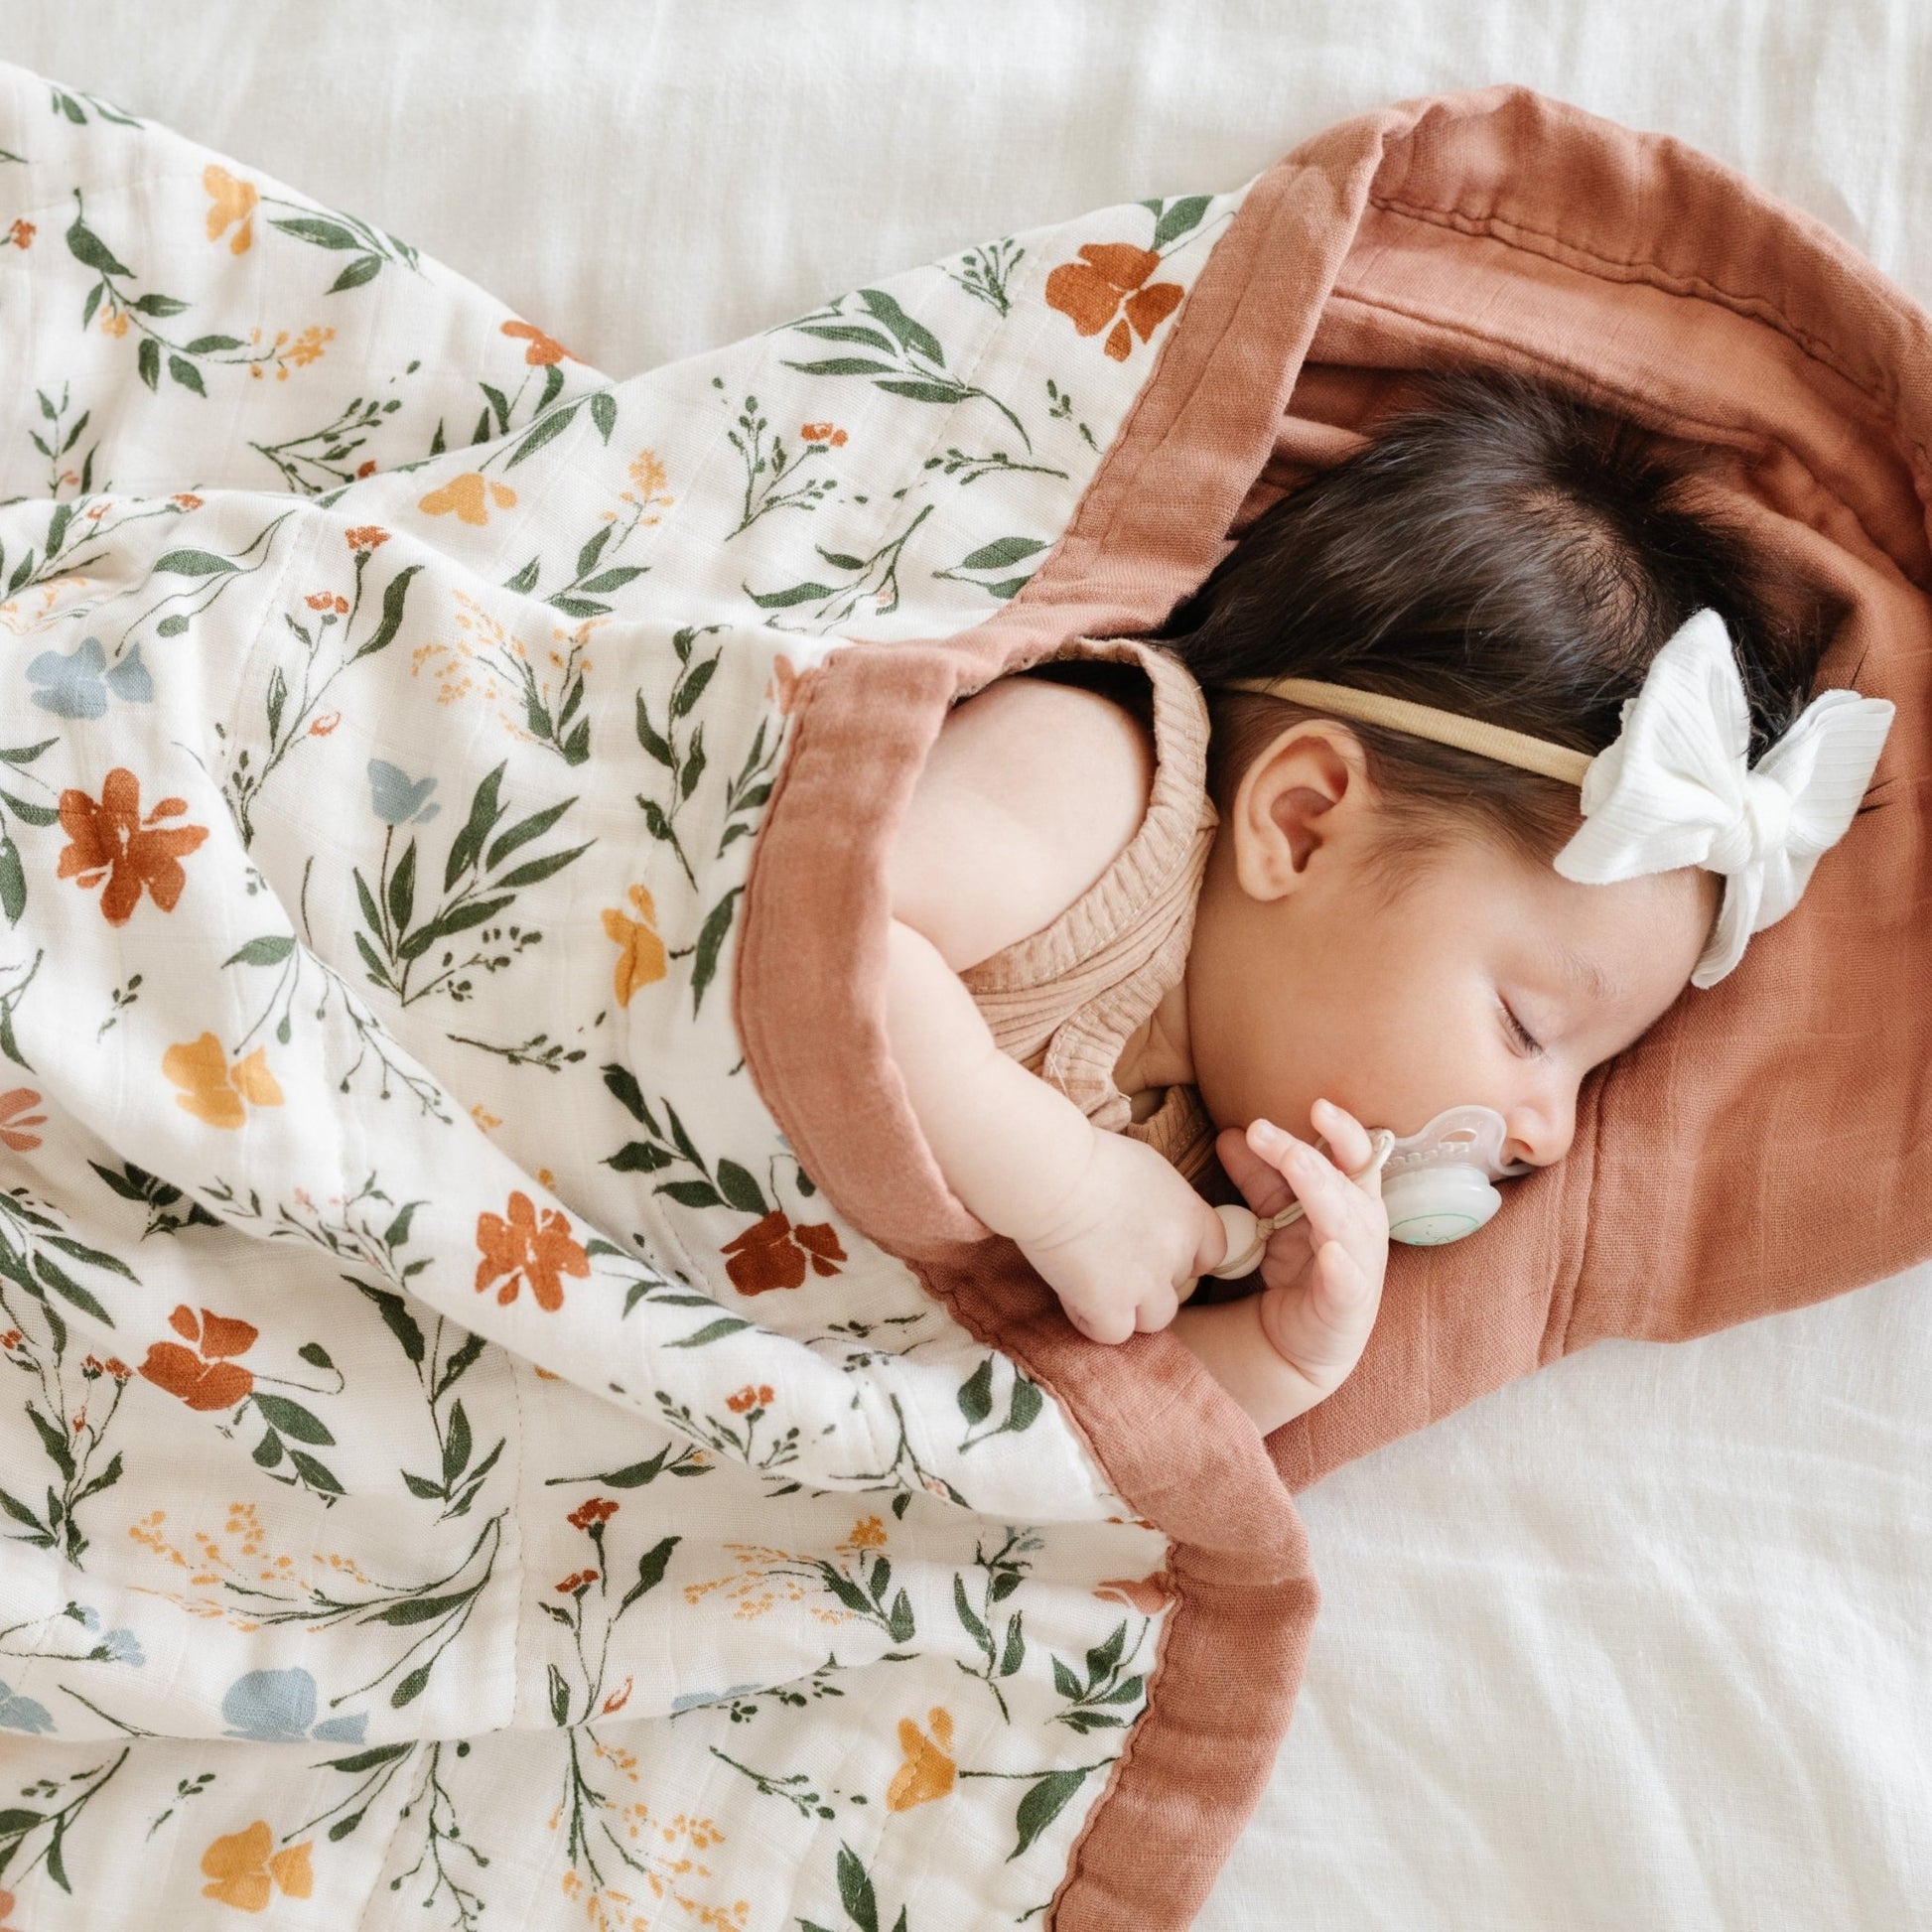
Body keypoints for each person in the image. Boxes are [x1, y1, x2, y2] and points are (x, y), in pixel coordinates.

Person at [883, 369, 1893, 1436]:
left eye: (1583, 1069)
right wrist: (1062, 1187)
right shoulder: (1097, 784)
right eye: (1526, 1025)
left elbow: (1033, 1428)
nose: (1545, 1138)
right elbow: (830, 928)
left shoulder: (1199, 1174)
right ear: (1303, 822)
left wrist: (1270, 1353)